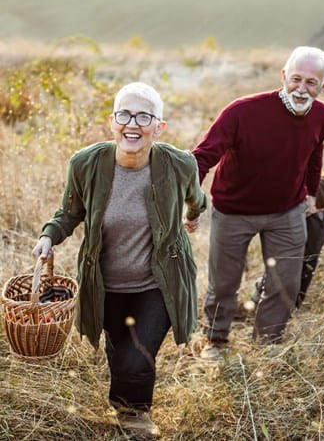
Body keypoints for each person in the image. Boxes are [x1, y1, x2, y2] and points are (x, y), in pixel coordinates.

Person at [32, 82, 206, 435]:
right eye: (125, 114)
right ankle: (121, 408)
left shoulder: (179, 164)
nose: (133, 123)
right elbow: (69, 212)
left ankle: (136, 419)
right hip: (105, 282)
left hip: (158, 281)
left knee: (136, 357)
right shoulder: (86, 164)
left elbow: (197, 198)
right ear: (112, 121)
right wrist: (49, 236)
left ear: (159, 127)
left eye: (144, 116)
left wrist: (194, 215)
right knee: (119, 349)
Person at [192, 46, 324, 357]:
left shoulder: (323, 115)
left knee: (286, 283)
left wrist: (310, 192)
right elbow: (202, 157)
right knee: (225, 282)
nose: (301, 88)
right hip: (234, 210)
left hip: (287, 210)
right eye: (295, 79)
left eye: (311, 82)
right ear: (283, 76)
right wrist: (191, 203)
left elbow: (315, 151)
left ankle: (267, 343)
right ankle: (215, 339)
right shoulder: (242, 112)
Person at [252, 175, 324, 309]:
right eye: (317, 207)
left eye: (322, 208)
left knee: (301, 289)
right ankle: (260, 295)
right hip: (291, 255)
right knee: (276, 282)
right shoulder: (300, 213)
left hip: (312, 258)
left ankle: (292, 311)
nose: (317, 210)